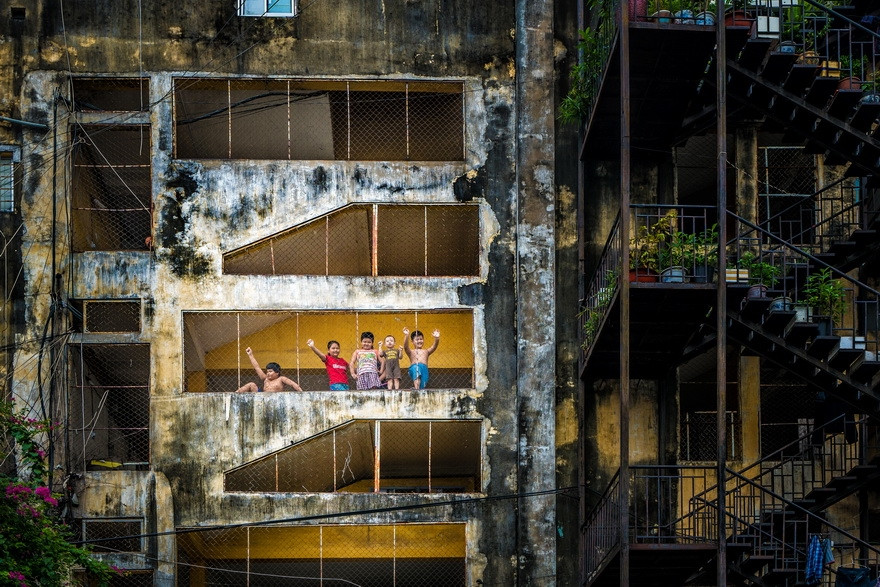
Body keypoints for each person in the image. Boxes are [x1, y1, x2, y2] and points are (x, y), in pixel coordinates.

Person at [235, 347, 302, 393]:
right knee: (251, 384)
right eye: (267, 371)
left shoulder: (281, 379)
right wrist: (250, 355)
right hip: (262, 398)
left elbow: (293, 384)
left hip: (276, 399)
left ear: (277, 373)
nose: (268, 373)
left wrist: (302, 393)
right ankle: (234, 394)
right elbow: (257, 367)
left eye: (270, 371)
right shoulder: (265, 378)